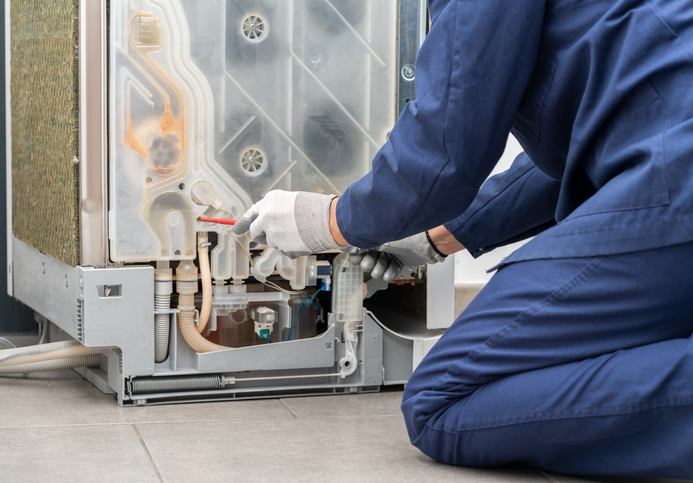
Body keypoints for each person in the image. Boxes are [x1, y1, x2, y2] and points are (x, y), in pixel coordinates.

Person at [233, 0, 693, 478]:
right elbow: (577, 150)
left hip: (673, 178)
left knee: (440, 403)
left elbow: (444, 144)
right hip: (670, 157)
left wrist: (327, 220)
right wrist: (431, 237)